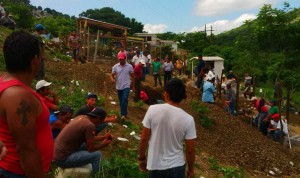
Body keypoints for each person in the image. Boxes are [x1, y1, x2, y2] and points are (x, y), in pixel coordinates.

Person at [0, 30, 53, 177]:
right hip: (18, 173)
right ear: (35, 60)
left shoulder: (8, 85)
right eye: (41, 56)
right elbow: (26, 149)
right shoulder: (18, 96)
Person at [138, 78, 196, 178]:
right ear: (182, 97)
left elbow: (144, 139)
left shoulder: (152, 110)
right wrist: (190, 170)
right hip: (177, 167)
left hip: (156, 166)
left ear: (166, 94)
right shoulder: (188, 119)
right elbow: (190, 150)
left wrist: (142, 158)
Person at [53, 107, 114, 175]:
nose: (100, 124)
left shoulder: (80, 117)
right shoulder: (90, 125)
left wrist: (103, 137)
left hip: (55, 154)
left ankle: (94, 164)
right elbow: (91, 149)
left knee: (84, 145)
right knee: (97, 155)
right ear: (97, 118)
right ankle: (97, 175)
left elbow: (90, 138)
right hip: (62, 159)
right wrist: (103, 145)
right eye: (101, 121)